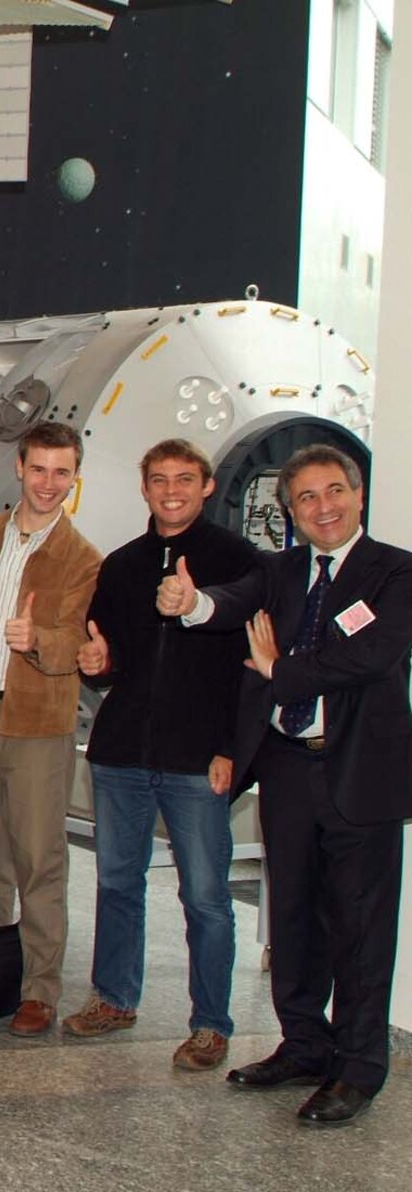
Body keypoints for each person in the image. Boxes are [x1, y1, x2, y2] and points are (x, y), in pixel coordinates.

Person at [162, 445, 412, 1124]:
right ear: (291, 511)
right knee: (294, 916)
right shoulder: (277, 571)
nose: (323, 507)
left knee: (362, 927)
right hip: (287, 766)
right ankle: (304, 1043)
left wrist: (283, 672)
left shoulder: (395, 570)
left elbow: (374, 655)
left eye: (334, 491)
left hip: (359, 770)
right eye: (306, 497)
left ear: (358, 496)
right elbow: (230, 604)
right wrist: (193, 604)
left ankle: (358, 1067)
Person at [65, 439, 258, 1070]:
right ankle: (115, 999)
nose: (170, 490)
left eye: (184, 479)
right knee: (117, 882)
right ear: (143, 489)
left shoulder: (239, 561)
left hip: (200, 761)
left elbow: (252, 675)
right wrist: (97, 664)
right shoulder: (121, 565)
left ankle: (210, 1024)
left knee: (205, 896)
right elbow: (104, 655)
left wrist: (234, 751)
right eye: (158, 480)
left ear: (206, 486)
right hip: (121, 752)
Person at [0, 420, 101, 1038]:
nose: (48, 483)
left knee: (39, 859)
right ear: (19, 468)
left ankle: (39, 990)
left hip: (37, 721)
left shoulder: (84, 557)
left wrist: (38, 639)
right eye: (39, 469)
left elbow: (80, 645)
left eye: (62, 473)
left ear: (74, 478)